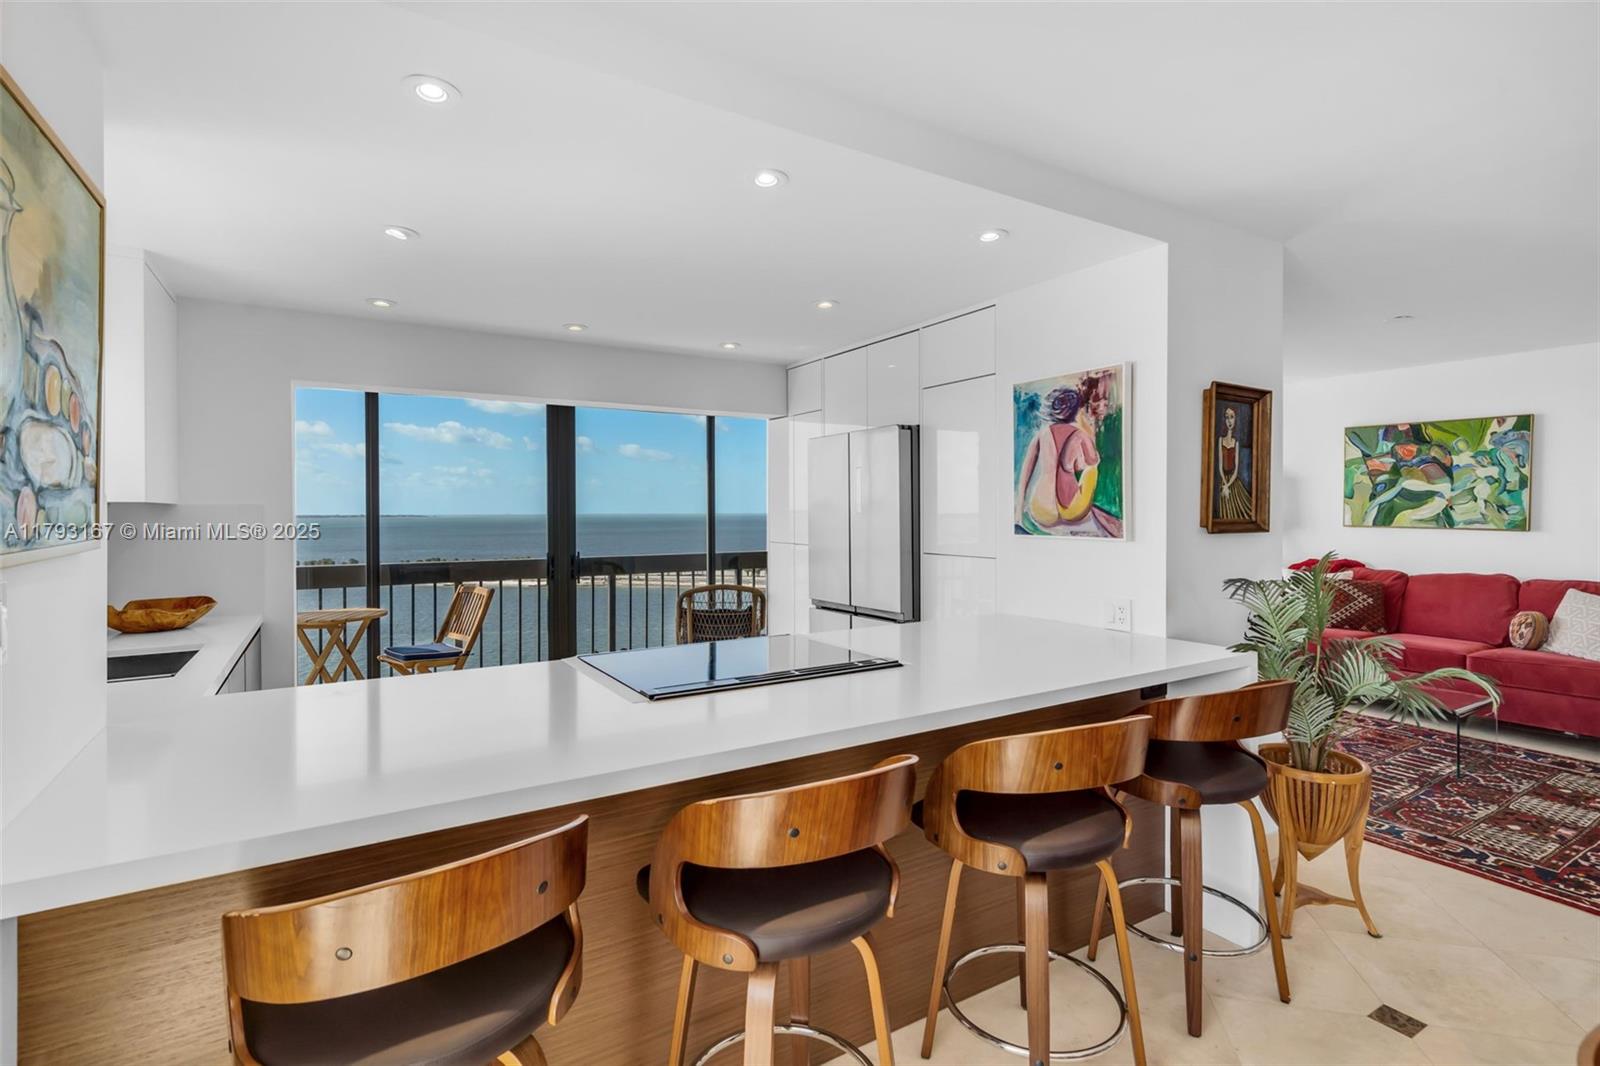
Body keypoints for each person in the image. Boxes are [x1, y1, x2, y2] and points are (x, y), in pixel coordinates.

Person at [1014, 371, 1121, 537]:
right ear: (1075, 410)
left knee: (1041, 474)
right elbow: (1090, 463)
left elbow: (1025, 475)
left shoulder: (1041, 435)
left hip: (1041, 510)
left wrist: (1018, 513)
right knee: (1092, 469)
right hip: (1072, 510)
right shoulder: (1080, 435)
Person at [1215, 405, 1253, 522]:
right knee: (1225, 512)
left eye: (1232, 417)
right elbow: (1220, 466)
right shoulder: (1220, 440)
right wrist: (1225, 485)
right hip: (1223, 480)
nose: (1229, 420)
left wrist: (1228, 485)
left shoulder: (1236, 442)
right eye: (1227, 417)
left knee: (1242, 510)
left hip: (1234, 481)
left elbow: (1236, 470)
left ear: (1236, 419)